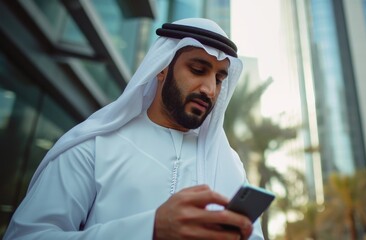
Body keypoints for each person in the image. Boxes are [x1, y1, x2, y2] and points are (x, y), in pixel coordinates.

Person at [4, 18, 265, 239]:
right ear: (162, 67)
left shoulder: (229, 164)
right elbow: (26, 235)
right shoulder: (95, 145)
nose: (209, 89)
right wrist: (148, 229)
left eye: (219, 79)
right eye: (198, 69)